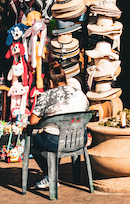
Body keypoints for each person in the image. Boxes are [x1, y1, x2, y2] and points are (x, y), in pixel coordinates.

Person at [28, 60, 90, 189]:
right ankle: (61, 176)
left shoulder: (47, 95)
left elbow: (33, 121)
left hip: (55, 141)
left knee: (32, 140)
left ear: (50, 82)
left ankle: (51, 176)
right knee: (54, 135)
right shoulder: (80, 94)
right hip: (80, 139)